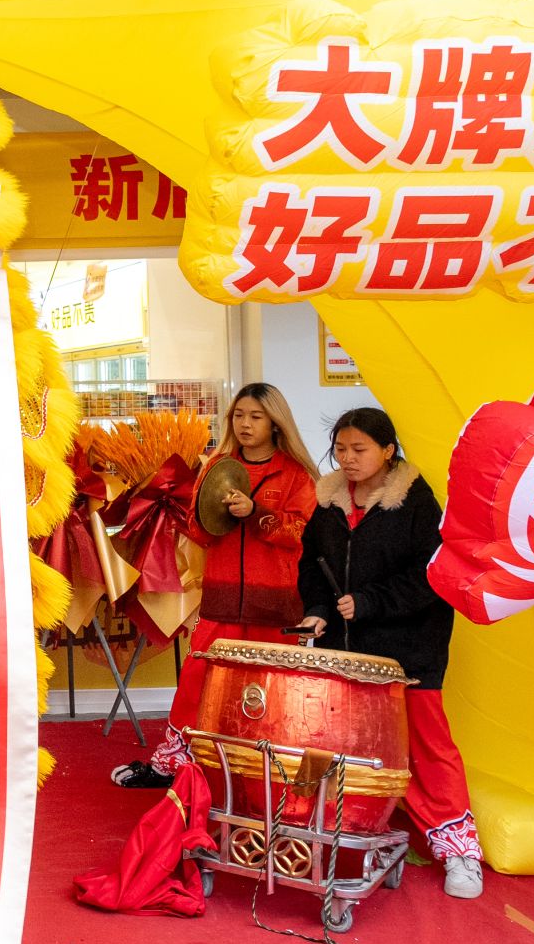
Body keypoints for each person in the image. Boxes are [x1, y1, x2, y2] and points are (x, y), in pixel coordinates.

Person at [299, 407, 484, 900]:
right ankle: (341, 833)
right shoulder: (329, 500)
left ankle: (459, 852)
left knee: (427, 747)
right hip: (344, 648)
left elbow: (432, 575)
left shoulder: (417, 502)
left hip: (408, 650)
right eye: (341, 449)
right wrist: (318, 609)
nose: (348, 458)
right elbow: (312, 564)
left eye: (359, 449)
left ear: (387, 450)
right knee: (337, 741)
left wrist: (369, 602)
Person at [114, 383, 318, 789]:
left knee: (272, 689)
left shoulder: (296, 474)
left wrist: (255, 512)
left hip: (276, 603)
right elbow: (197, 530)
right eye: (238, 415)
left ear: (276, 423)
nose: (245, 424)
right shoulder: (217, 466)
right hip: (221, 598)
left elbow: (302, 534)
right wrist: (212, 516)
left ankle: (265, 772)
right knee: (197, 681)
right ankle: (174, 764)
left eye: (256, 417)